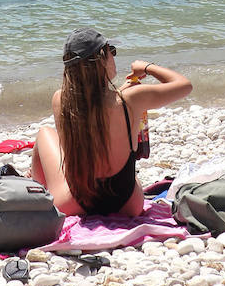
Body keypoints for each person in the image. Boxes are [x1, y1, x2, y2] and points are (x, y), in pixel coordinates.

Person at [31, 28, 191, 217]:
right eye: (111, 51)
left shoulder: (61, 100)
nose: (114, 57)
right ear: (102, 60)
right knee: (134, 179)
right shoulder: (130, 100)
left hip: (75, 203)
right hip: (127, 205)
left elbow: (95, 108)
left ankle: (35, 189)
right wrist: (147, 67)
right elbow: (184, 85)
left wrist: (123, 91)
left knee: (44, 133)